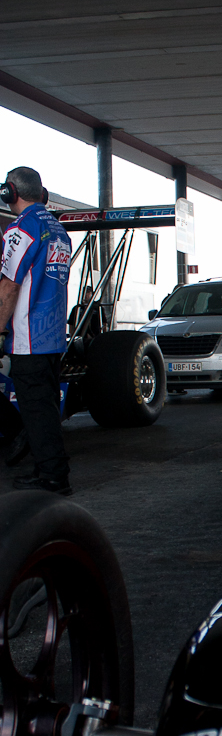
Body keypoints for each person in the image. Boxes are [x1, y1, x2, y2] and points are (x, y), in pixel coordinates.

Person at [0, 166, 72, 494]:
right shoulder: (58, 229)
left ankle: (53, 477)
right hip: (53, 335)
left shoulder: (22, 229)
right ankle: (48, 470)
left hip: (28, 337)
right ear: (42, 194)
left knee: (38, 410)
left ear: (10, 193)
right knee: (45, 408)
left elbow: (9, 286)